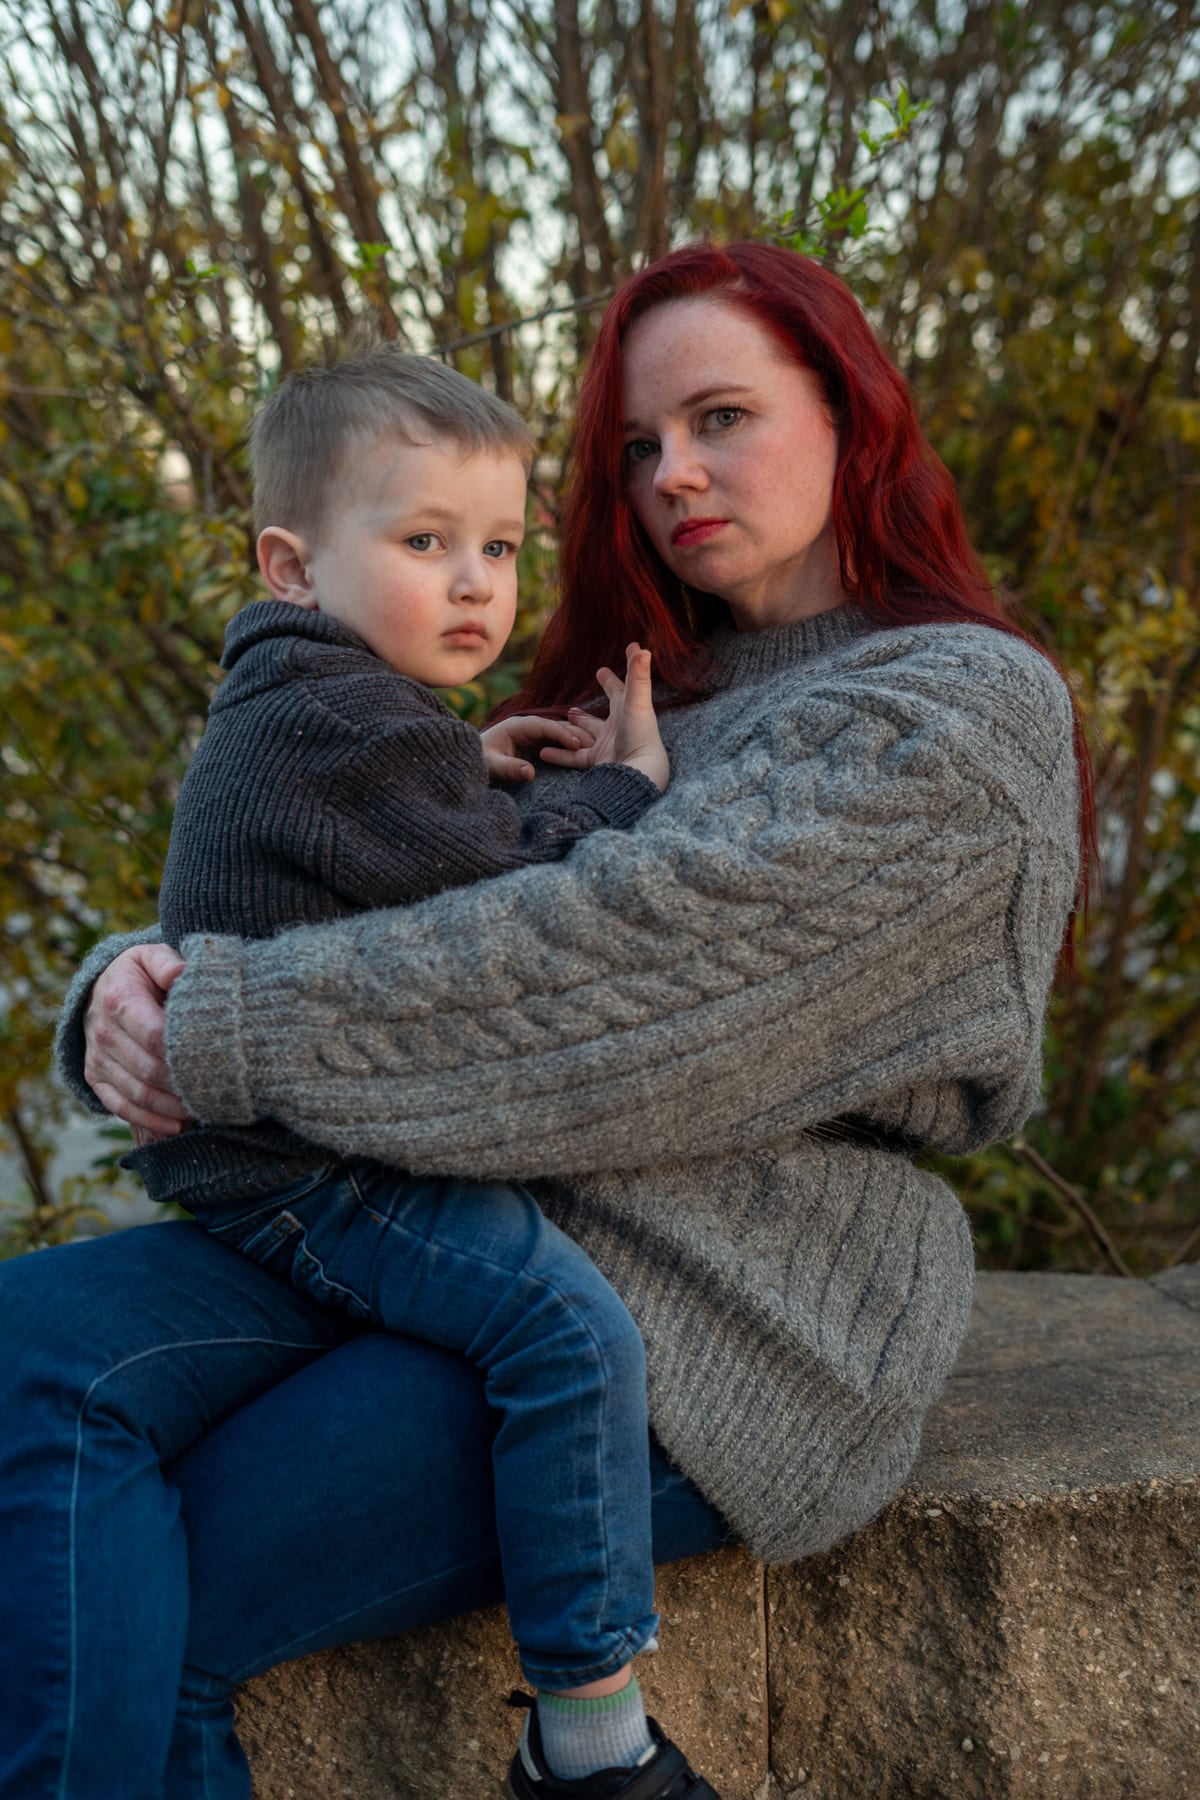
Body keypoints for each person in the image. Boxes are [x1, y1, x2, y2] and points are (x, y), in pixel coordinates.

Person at [0, 240, 1088, 1800]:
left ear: (852, 411)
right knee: (29, 1350)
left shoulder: (954, 710)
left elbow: (619, 971)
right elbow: (390, 876)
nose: (672, 474)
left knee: (148, 1608)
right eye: (638, 446)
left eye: (721, 417)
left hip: (701, 1312)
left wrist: (215, 1019)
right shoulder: (646, 695)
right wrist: (131, 980)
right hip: (432, 1206)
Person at [119, 341, 709, 1794]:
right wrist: (623, 786)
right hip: (309, 1170)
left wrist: (465, 761)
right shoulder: (339, 722)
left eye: (498, 549)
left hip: (271, 1146)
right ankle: (592, 1737)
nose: (474, 586)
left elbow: (399, 837)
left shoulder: (318, 702)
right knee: (569, 1332)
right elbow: (508, 897)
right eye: (424, 542)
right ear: (291, 566)